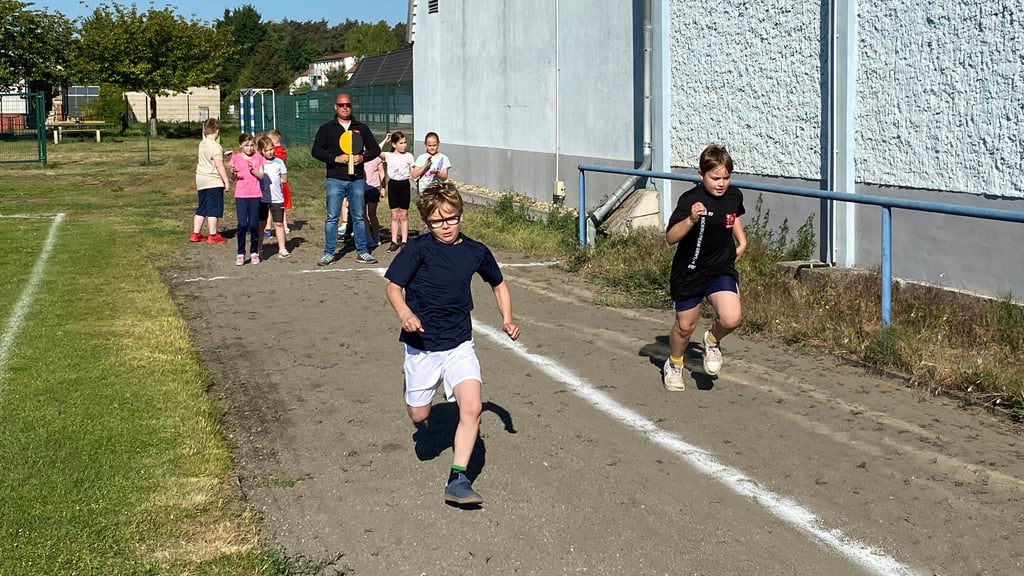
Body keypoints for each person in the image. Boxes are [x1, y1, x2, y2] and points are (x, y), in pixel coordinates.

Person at [385, 182, 520, 506]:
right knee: (419, 415)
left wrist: (507, 318)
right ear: (426, 221)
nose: (445, 226)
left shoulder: (475, 251)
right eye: (437, 221)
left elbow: (498, 284)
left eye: (451, 218)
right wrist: (405, 313)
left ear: (461, 215)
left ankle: (458, 480)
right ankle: (413, 390)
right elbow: (393, 287)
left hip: (459, 343)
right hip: (423, 345)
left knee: (472, 407)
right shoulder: (418, 249)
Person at [662, 144, 747, 391]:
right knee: (684, 327)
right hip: (690, 271)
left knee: (731, 318)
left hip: (720, 267)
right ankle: (674, 364)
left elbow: (733, 215)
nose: (721, 184)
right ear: (701, 175)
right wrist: (690, 220)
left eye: (726, 178)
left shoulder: (734, 195)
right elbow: (670, 237)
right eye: (715, 178)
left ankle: (712, 340)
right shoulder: (690, 200)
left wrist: (742, 241)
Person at [310, 92, 381, 265]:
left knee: (359, 216)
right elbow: (316, 151)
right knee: (332, 217)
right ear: (335, 107)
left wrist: (362, 157)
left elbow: (375, 149)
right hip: (335, 178)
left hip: (356, 179)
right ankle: (329, 253)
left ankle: (362, 251)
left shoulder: (361, 128)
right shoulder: (327, 128)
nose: (345, 108)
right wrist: (335, 158)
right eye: (341, 105)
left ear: (351, 106)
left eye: (347, 104)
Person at [228, 132, 266, 266]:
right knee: (243, 224)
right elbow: (234, 178)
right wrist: (233, 172)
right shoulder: (235, 158)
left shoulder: (258, 158)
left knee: (254, 224)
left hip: (255, 194)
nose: (249, 148)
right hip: (241, 195)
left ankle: (254, 251)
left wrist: (253, 170)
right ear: (240, 145)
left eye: (251, 145)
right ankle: (240, 252)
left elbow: (261, 176)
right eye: (246, 145)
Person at [191, 118, 230, 244]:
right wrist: (226, 181)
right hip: (213, 180)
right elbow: (219, 165)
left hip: (201, 179)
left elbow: (210, 154)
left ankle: (196, 233)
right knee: (214, 208)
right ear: (217, 131)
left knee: (202, 207)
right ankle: (213, 235)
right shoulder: (216, 146)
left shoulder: (202, 144)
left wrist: (223, 153)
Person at [252, 135, 290, 258]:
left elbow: (284, 179)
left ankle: (282, 248)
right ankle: (258, 248)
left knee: (279, 223)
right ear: (261, 151)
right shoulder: (258, 162)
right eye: (266, 150)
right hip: (262, 198)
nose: (269, 152)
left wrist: (277, 182)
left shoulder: (279, 162)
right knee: (261, 224)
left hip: (277, 198)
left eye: (271, 149)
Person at [380, 131, 415, 252]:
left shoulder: (409, 156)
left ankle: (404, 241)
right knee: (394, 215)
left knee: (404, 215)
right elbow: (376, 151)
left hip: (404, 185)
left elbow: (413, 173)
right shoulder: (389, 155)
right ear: (394, 144)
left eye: (405, 142)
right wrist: (385, 140)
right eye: (401, 143)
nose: (404, 145)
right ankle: (394, 241)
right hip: (393, 185)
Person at [263, 129, 292, 237]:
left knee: (277, 206)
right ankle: (279, 226)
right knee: (275, 206)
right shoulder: (279, 151)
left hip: (278, 185)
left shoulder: (279, 152)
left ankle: (272, 227)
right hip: (273, 185)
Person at [363, 153, 384, 249]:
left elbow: (381, 172)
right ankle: (368, 236)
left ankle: (376, 235)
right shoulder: (358, 157)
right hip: (361, 188)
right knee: (362, 215)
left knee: (372, 214)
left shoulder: (376, 157)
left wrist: (383, 187)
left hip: (373, 188)